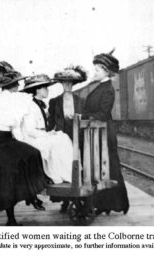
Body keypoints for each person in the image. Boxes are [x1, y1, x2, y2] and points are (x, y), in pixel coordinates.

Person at [0, 61, 46, 226]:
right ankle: (11, 218)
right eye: (17, 83)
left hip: (9, 139)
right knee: (9, 171)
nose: (19, 86)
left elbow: (15, 126)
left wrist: (22, 145)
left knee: (33, 153)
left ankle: (32, 195)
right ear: (12, 85)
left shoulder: (15, 100)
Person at [82, 49, 129, 215]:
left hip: (104, 134)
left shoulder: (107, 89)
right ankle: (103, 203)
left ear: (105, 71)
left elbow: (102, 114)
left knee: (107, 168)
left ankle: (114, 203)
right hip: (98, 133)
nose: (94, 72)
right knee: (101, 168)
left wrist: (83, 115)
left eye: (97, 70)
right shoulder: (101, 87)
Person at [20, 74, 74, 184]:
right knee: (58, 141)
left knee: (63, 137)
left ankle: (67, 174)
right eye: (45, 87)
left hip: (39, 136)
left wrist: (49, 133)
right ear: (37, 89)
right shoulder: (30, 106)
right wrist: (47, 135)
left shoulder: (38, 104)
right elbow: (30, 131)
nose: (47, 90)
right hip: (30, 139)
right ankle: (59, 175)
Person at [49, 66, 86, 212]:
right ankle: (64, 200)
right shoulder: (54, 101)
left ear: (73, 84)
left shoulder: (80, 100)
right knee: (63, 166)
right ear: (61, 84)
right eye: (65, 83)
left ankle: (78, 197)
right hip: (62, 136)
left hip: (77, 135)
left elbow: (84, 118)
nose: (67, 85)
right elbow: (51, 121)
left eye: (70, 83)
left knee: (77, 165)